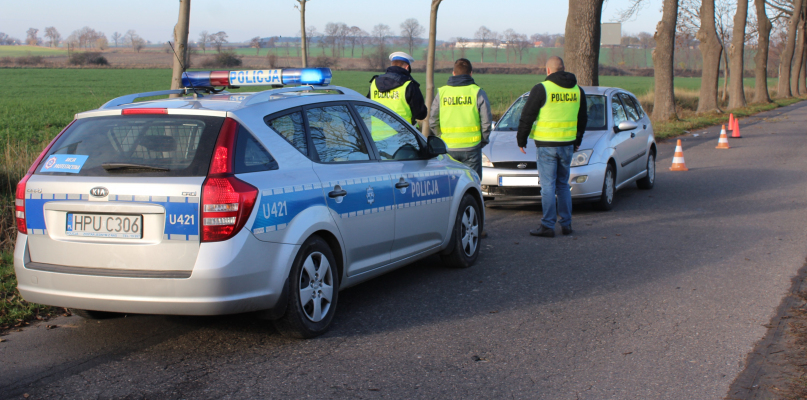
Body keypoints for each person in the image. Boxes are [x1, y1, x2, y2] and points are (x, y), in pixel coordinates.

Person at [517, 56, 587, 238]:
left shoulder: (542, 88)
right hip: (567, 144)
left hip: (547, 145)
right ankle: (566, 224)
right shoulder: (577, 90)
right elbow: (583, 118)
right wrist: (578, 139)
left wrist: (521, 139)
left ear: (548, 70)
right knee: (563, 184)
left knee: (547, 186)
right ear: (563, 69)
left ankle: (548, 225)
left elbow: (527, 115)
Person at [429, 58, 492, 180]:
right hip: (472, 148)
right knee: (472, 183)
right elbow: (486, 122)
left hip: (448, 147)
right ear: (471, 73)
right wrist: (483, 140)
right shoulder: (477, 92)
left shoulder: (442, 92)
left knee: (450, 185)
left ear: (453, 73)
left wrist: (441, 137)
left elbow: (433, 120)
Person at [367, 51, 428, 126]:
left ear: (392, 65)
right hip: (402, 132)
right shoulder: (409, 85)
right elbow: (420, 114)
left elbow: (366, 107)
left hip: (376, 131)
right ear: (407, 67)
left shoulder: (374, 83)